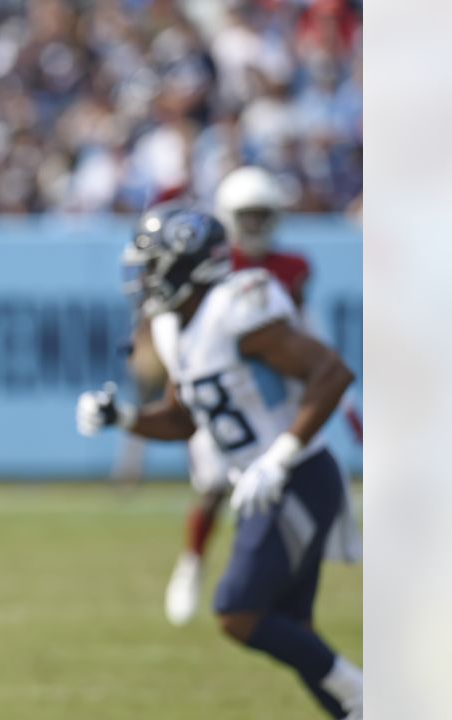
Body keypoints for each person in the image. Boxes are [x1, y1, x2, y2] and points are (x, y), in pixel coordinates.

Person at [76, 210, 363, 718]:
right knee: (293, 626)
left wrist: (279, 456)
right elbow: (186, 418)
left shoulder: (237, 308)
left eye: (153, 266)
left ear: (187, 267)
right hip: (263, 482)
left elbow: (332, 372)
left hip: (297, 476)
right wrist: (124, 417)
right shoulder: (173, 327)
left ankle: (366, 696)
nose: (143, 280)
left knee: (237, 611)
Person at [158, 167, 364, 627]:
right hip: (219, 381)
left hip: (270, 384)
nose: (253, 226)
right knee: (212, 484)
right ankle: (192, 561)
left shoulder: (290, 268)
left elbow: (302, 325)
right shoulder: (214, 262)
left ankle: (278, 578)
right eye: (244, 216)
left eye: (260, 215)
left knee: (286, 468)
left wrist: (328, 377)